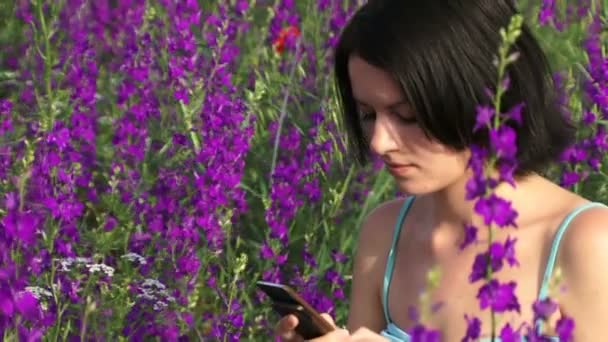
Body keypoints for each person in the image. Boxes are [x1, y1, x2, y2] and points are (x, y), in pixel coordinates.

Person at [274, 0, 608, 340]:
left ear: (479, 97)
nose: (379, 143)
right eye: (368, 114)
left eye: (407, 116)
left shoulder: (588, 242)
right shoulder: (385, 234)